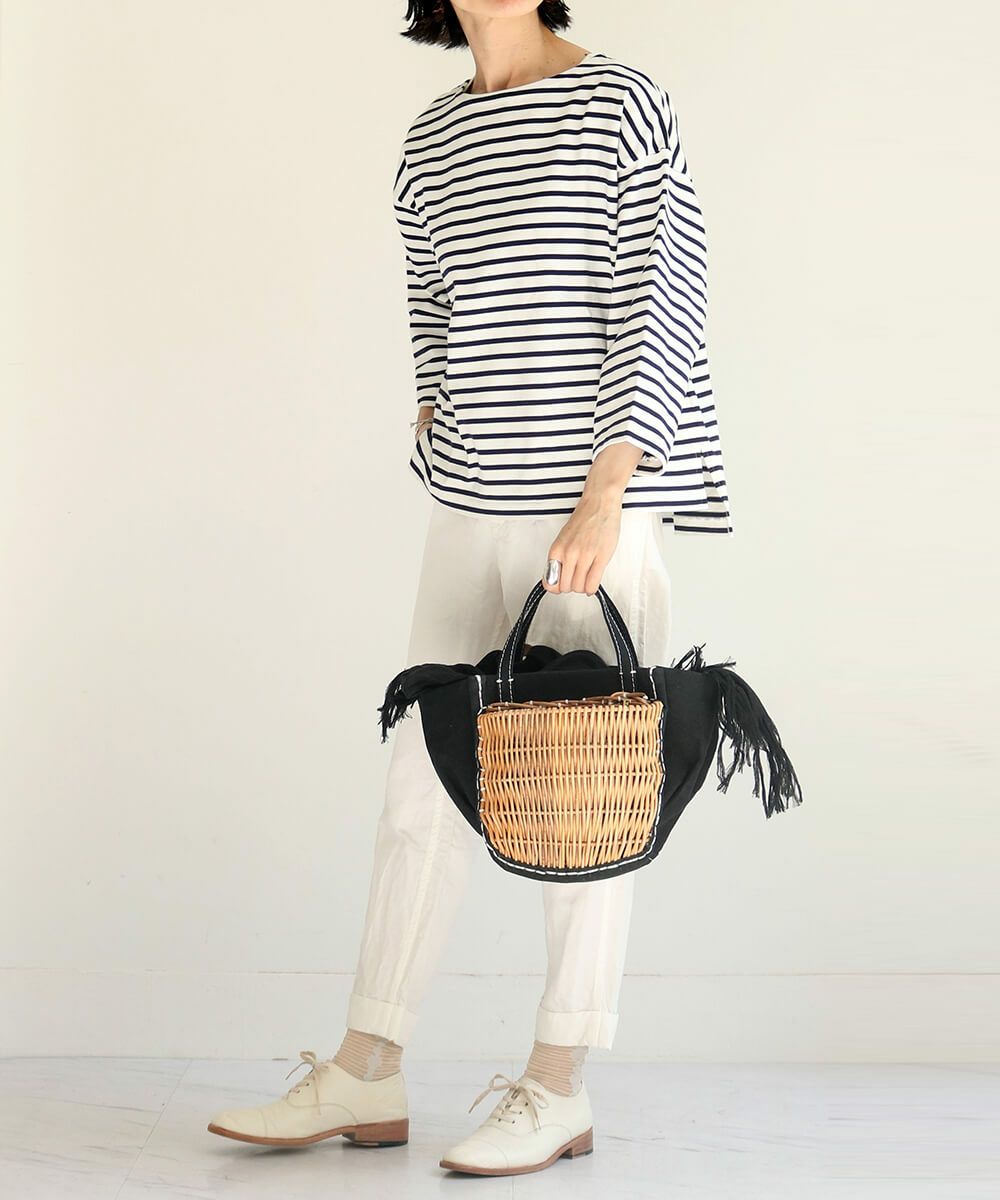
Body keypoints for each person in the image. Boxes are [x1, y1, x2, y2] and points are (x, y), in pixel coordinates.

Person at [207, 0, 731, 1178]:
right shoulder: (432, 136)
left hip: (587, 507)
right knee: (420, 786)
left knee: (590, 797)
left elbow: (662, 300)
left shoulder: (619, 100)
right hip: (469, 503)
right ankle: (366, 1066)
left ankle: (558, 1083)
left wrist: (606, 493)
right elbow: (431, 304)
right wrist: (433, 422)